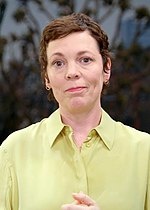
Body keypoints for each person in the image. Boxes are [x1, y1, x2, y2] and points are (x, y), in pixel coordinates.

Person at [0, 13, 150, 210]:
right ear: (46, 77)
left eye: (85, 60)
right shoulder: (13, 150)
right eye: (58, 63)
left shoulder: (145, 151)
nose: (72, 72)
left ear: (106, 69)